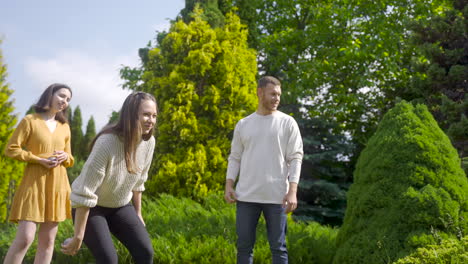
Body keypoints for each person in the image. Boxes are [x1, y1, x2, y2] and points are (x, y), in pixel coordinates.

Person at [61, 91, 157, 264]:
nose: (151, 120)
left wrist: (138, 213)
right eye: (146, 114)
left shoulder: (149, 143)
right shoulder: (107, 143)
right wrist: (78, 237)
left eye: (154, 115)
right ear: (131, 114)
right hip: (92, 207)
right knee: (109, 260)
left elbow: (139, 182)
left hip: (120, 206)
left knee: (145, 252)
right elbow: (85, 192)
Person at [224, 76, 303, 264]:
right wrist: (229, 185)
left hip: (277, 198)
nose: (277, 98)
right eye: (273, 94)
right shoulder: (243, 124)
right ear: (260, 93)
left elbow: (296, 158)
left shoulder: (287, 123)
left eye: (279, 95)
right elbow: (234, 157)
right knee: (244, 248)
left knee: (279, 248)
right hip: (246, 198)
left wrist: (292, 191)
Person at [3, 83, 74, 264]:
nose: (64, 101)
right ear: (50, 95)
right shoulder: (30, 121)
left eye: (68, 100)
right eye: (62, 96)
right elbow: (11, 149)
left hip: (57, 185)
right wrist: (37, 159)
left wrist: (66, 155)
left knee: (48, 242)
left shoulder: (64, 127)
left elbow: (70, 158)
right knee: (25, 238)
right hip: (33, 183)